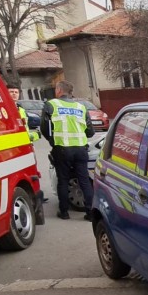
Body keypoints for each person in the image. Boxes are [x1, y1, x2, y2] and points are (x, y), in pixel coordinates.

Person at [40, 80, 95, 221]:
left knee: (63, 181)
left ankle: (64, 212)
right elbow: (90, 132)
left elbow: (44, 129)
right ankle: (90, 213)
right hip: (81, 149)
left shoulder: (51, 105)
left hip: (62, 149)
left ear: (59, 90)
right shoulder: (81, 107)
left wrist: (53, 141)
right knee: (84, 180)